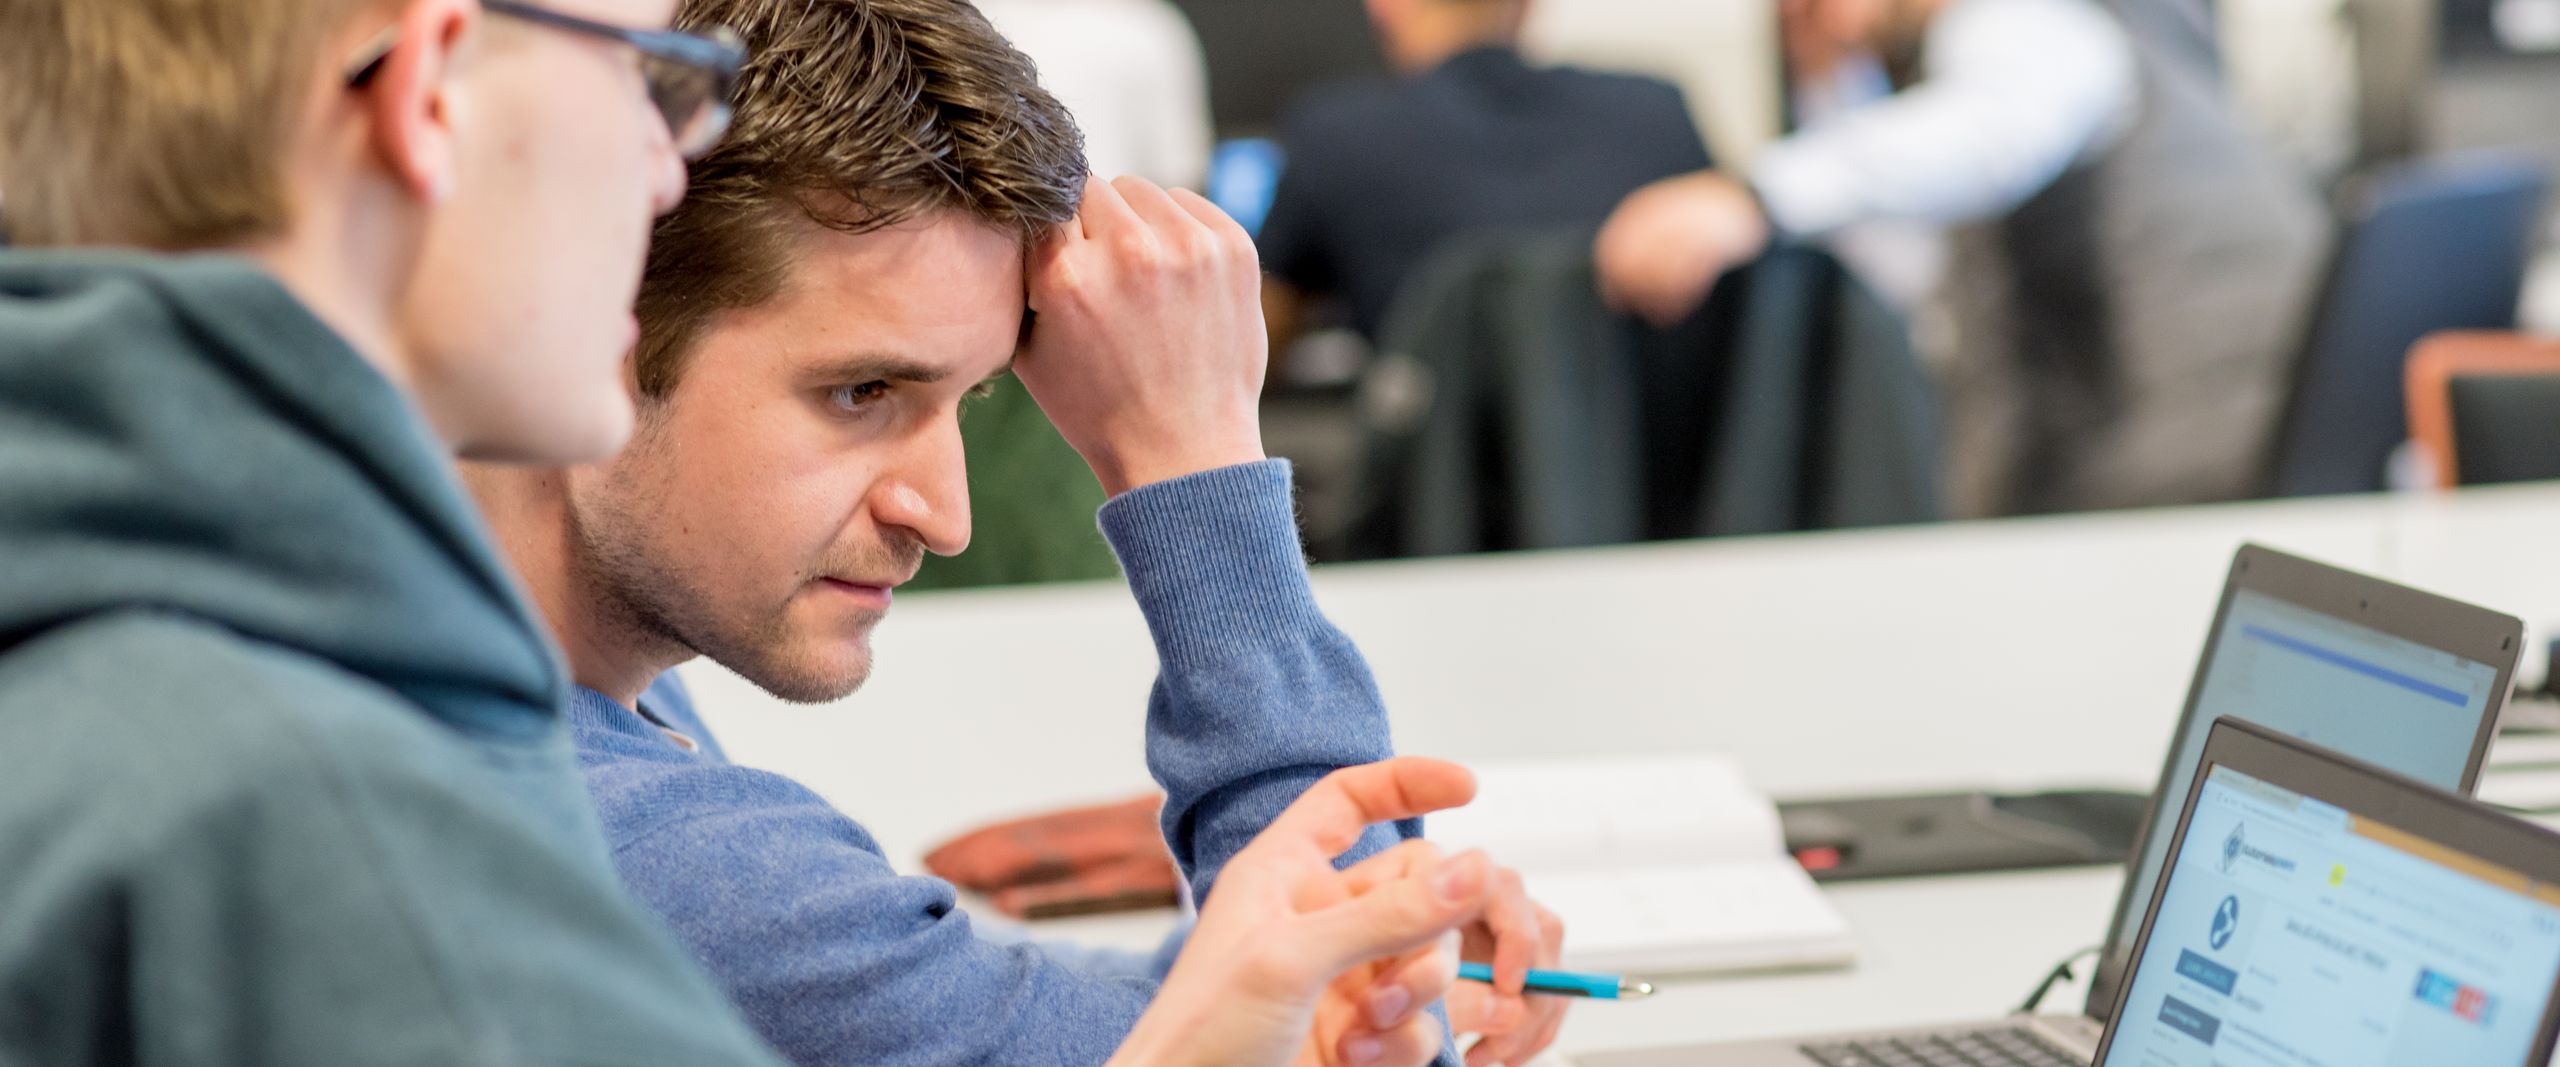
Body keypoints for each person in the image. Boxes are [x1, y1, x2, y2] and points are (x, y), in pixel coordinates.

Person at [0, 0, 1524, 1063]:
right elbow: (1360, 1037)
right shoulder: (473, 811)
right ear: (431, 101)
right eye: (648, 77)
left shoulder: (284, 651)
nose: (669, 155)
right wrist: (1194, 461)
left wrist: (1257, 984)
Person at [460, 0, 1570, 1064]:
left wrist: (1321, 954)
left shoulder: (531, 676)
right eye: (860, 391)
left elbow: (1031, 1015)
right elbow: (1351, 1034)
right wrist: (1195, 457)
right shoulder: (663, 856)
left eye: (971, 395)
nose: (944, 517)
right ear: (577, 327)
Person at [1595, 0, 2327, 516]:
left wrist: (1755, 195)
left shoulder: (2017, 21)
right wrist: (1827, 84)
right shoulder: (1938, 69)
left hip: (2208, 441)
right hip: (2135, 452)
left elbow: (1992, 137)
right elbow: (1906, 281)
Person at [1256, 0, 1713, 348]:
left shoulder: (1335, 135)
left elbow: (1255, 337)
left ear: (1385, 6)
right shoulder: (1658, 111)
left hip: (1438, 444)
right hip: (1647, 446)